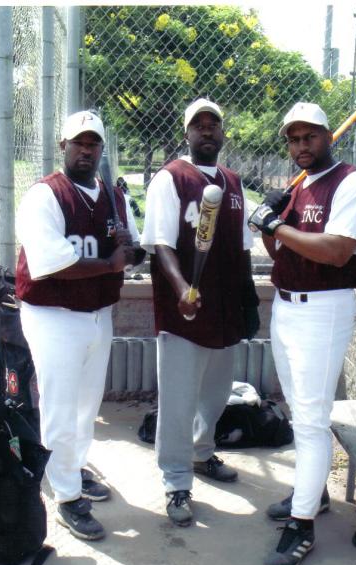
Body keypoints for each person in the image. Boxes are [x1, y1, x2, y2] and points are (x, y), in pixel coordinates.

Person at [249, 102, 356, 565]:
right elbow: (278, 246)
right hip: (286, 304)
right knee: (297, 406)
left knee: (310, 418)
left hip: (323, 309)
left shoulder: (352, 182)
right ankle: (314, 491)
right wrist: (269, 221)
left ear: (329, 136)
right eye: (294, 139)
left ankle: (302, 526)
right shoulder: (300, 186)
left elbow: (339, 251)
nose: (301, 146)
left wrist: (276, 223)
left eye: (311, 137)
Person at [15, 110, 144, 541]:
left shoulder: (114, 196)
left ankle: (71, 467)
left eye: (93, 144)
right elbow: (49, 264)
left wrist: (131, 250)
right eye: (78, 143)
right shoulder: (45, 195)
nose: (85, 150)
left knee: (88, 405)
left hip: (97, 313)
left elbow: (131, 245)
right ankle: (66, 495)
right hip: (53, 315)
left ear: (101, 149)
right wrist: (110, 262)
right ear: (63, 147)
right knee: (59, 404)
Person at [141, 97, 259, 527]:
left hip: (225, 305)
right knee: (177, 399)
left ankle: (202, 452)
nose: (207, 130)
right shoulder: (170, 179)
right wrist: (182, 288)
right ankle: (175, 480)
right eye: (198, 125)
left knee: (215, 391)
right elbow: (161, 244)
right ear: (187, 133)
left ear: (222, 133)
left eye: (213, 124)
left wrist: (247, 298)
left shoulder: (233, 181)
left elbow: (245, 247)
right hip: (184, 310)